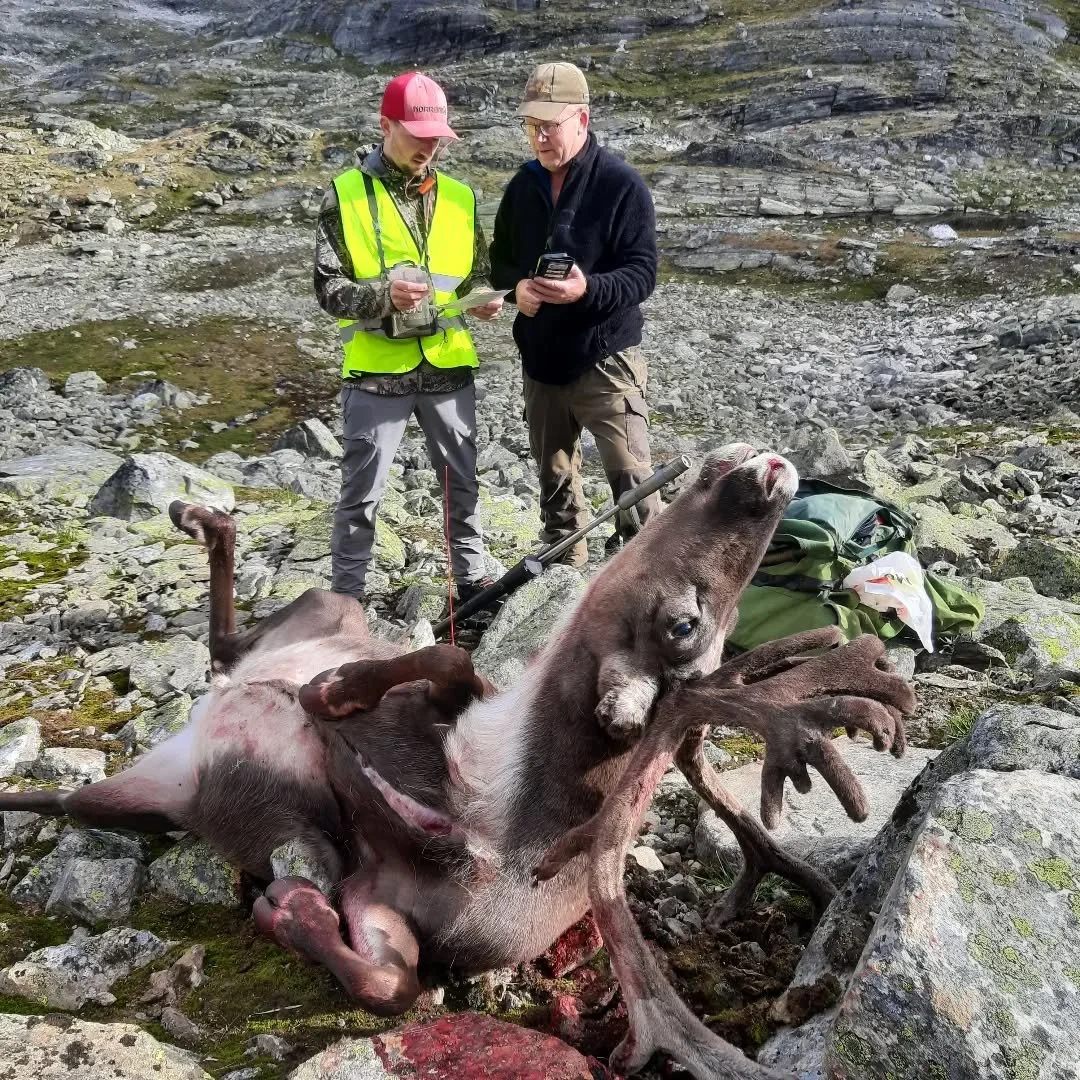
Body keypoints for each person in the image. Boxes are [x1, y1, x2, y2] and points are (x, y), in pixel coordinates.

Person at [314, 71, 503, 602]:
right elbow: (328, 289)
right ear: (386, 126)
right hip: (377, 374)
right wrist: (383, 296)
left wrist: (483, 298)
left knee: (463, 481)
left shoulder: (460, 198)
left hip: (448, 366)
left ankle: (471, 584)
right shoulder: (345, 195)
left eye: (437, 137)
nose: (429, 147)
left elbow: (474, 276)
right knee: (361, 495)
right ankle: (346, 602)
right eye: (419, 136)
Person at [489, 61, 661, 567]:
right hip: (542, 365)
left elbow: (642, 273)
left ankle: (649, 579)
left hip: (606, 361)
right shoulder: (522, 187)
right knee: (555, 486)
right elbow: (500, 262)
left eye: (549, 125)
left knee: (633, 481)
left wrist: (588, 290)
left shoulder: (621, 185)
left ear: (582, 119)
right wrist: (516, 289)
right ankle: (565, 579)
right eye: (531, 126)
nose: (539, 137)